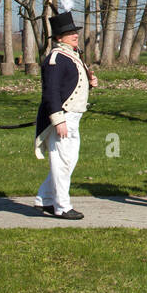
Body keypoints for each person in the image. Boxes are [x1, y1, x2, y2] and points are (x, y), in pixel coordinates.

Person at [34, 11, 99, 220]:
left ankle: (44, 199)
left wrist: (89, 83)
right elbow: (51, 91)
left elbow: (70, 83)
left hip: (72, 117)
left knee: (67, 162)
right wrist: (58, 119)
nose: (75, 35)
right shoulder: (56, 58)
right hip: (63, 117)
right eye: (69, 33)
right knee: (62, 163)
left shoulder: (70, 55)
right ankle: (62, 206)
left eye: (74, 32)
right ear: (58, 38)